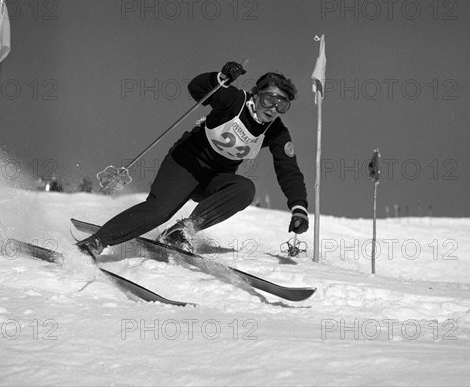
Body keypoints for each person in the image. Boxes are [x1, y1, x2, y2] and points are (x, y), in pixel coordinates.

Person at [77, 61, 309, 258]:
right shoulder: (234, 101)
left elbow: (288, 169)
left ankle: (181, 231)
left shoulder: (276, 132)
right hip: (186, 164)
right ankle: (95, 243)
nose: (273, 108)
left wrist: (299, 208)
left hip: (213, 180)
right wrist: (220, 78)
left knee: (244, 189)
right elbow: (197, 88)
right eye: (269, 99)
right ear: (257, 94)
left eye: (282, 104)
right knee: (159, 211)